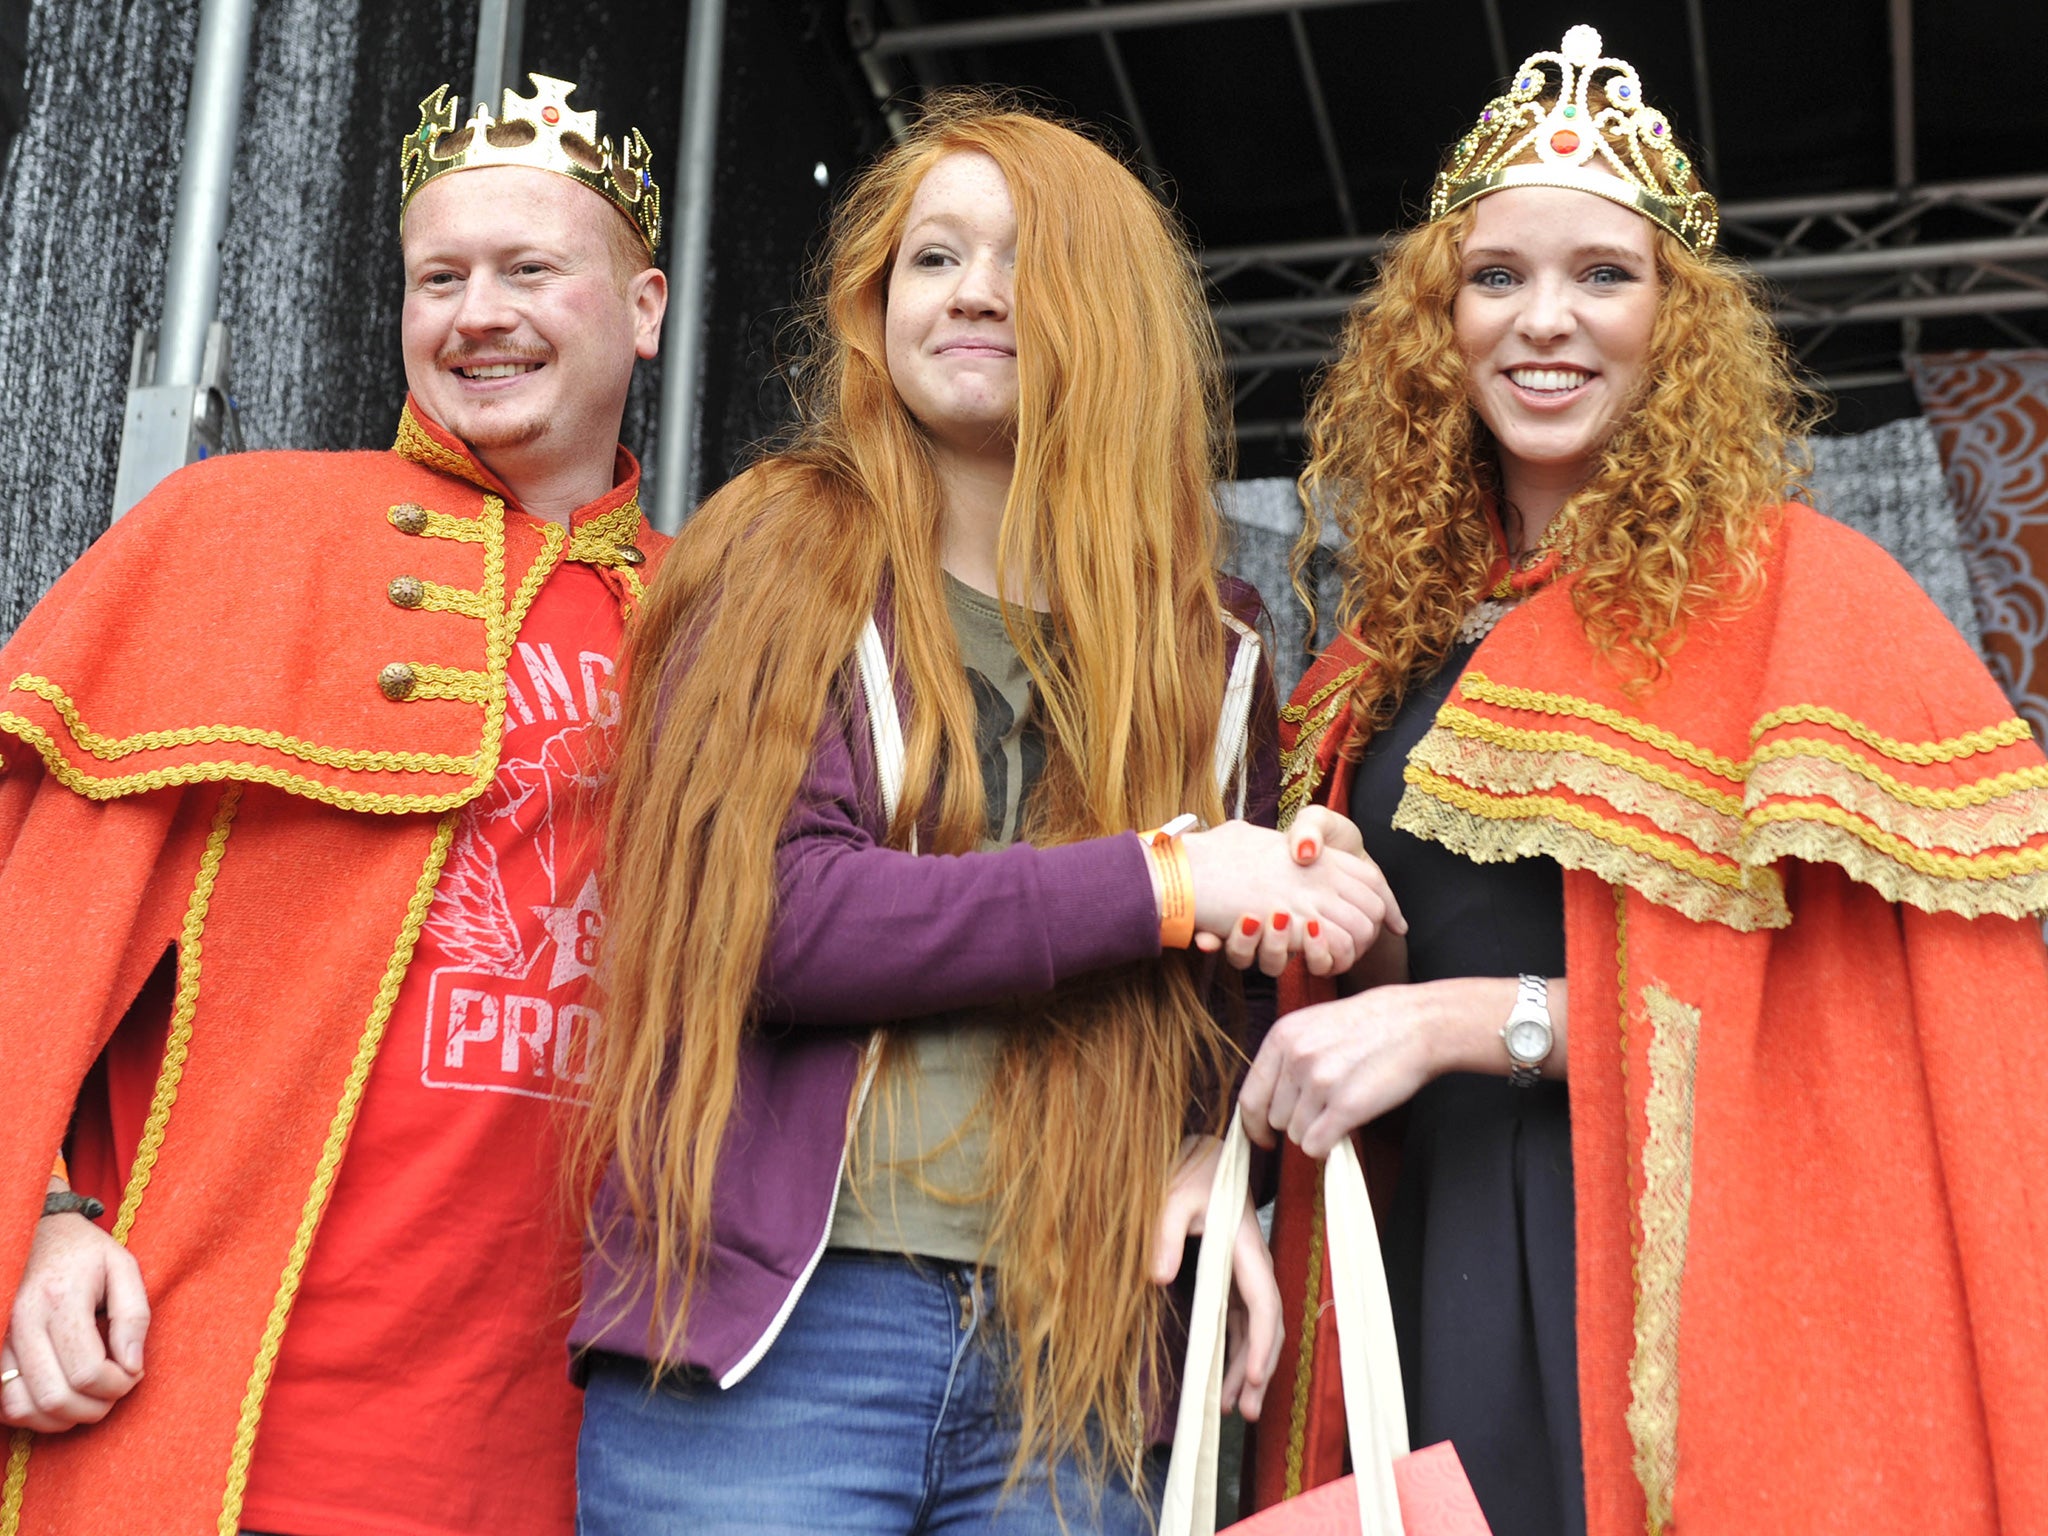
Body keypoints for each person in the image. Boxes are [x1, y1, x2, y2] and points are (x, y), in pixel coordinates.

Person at [1240, 25, 2048, 1536]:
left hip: (1706, 1285)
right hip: (1443, 1261)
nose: (1546, 321)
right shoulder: (1381, 656)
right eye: (1498, 278)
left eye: (1604, 275)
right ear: (1439, 322)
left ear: (1680, 322)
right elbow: (1415, 962)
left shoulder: (1811, 597)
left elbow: (1851, 1022)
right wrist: (1346, 931)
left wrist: (1466, 1022)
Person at [570, 92, 1399, 1536]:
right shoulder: (778, 549)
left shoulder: (1214, 648)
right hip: (788, 1344)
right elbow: (772, 920)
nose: (971, 294)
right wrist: (1163, 880)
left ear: (1109, 307)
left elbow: (1217, 1008)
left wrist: (1223, 1144)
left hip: (1077, 1358)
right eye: (932, 258)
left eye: (1021, 257)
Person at [0, 74, 665, 1536]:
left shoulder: (731, 621)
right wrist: (42, 1224)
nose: (476, 313)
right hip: (216, 1417)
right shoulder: (238, 534)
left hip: (599, 1459)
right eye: (440, 277)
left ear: (650, 308)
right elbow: (19, 930)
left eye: (530, 269)